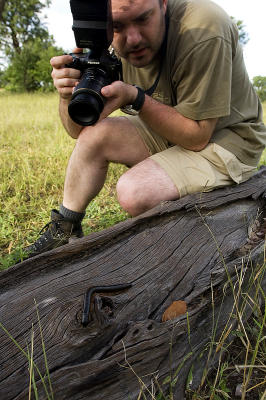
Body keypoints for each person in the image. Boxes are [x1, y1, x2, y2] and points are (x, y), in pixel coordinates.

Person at [25, 0, 266, 257]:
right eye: (117, 26)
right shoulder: (105, 39)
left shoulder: (203, 28)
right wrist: (67, 95)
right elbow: (77, 130)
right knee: (94, 136)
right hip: (174, 127)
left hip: (227, 138)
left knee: (134, 192)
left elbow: (197, 137)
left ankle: (220, 231)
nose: (133, 39)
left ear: (163, 3)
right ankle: (65, 227)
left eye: (143, 19)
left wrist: (135, 97)